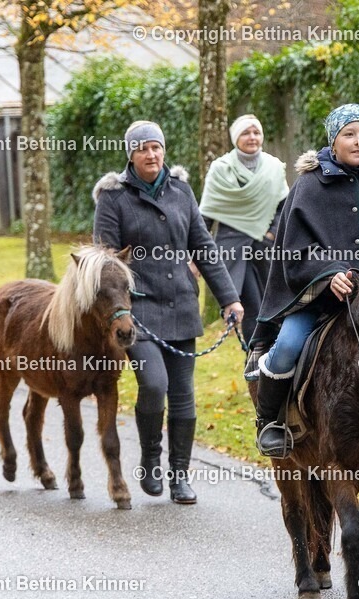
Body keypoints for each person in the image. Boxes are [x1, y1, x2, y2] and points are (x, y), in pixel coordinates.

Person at [251, 103, 359, 457]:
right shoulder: (309, 187)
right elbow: (293, 249)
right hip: (321, 302)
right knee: (285, 348)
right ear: (333, 140)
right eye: (350, 135)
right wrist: (328, 274)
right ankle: (271, 422)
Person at [93, 120, 244, 504]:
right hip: (137, 311)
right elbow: (106, 260)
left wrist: (229, 298)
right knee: (154, 384)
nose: (151, 154)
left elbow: (204, 246)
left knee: (183, 394)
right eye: (143, 148)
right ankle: (150, 460)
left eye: (156, 147)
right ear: (131, 153)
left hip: (181, 305)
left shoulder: (181, 190)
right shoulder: (113, 197)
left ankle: (180, 477)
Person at [199, 114, 289, 344]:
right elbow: (205, 215)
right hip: (232, 247)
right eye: (246, 133)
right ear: (235, 138)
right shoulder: (221, 169)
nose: (252, 137)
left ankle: (265, 355)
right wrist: (195, 255)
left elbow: (284, 208)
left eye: (256, 132)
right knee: (251, 304)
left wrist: (271, 234)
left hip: (265, 247)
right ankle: (255, 352)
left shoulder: (274, 167)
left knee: (271, 304)